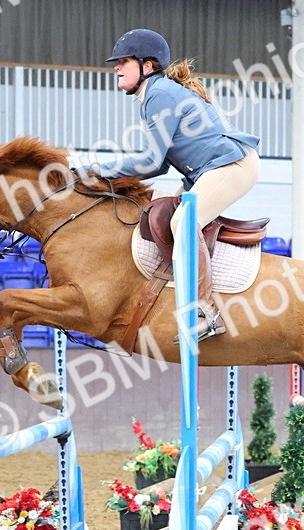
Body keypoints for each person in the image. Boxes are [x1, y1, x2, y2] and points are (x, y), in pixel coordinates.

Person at [91, 29, 261, 342]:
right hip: (212, 169)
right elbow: (160, 164)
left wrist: (100, 170)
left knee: (183, 221)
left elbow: (150, 161)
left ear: (147, 66)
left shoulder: (158, 94)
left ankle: (203, 312)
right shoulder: (153, 94)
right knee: (157, 209)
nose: (116, 66)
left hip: (232, 165)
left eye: (124, 61)